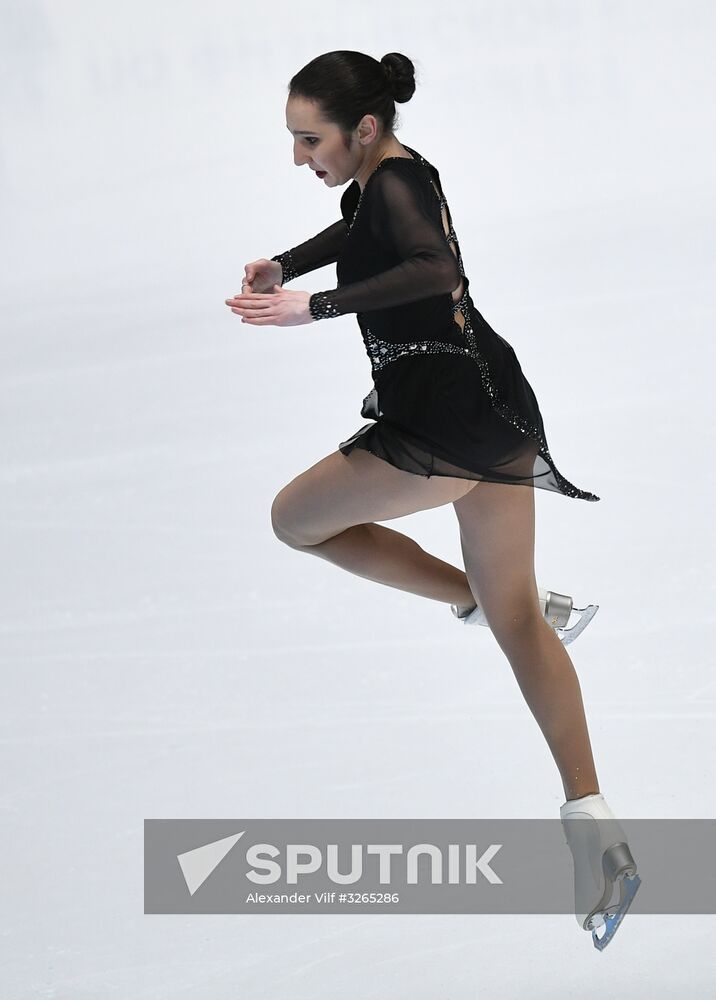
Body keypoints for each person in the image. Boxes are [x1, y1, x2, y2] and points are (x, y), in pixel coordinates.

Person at [225, 50, 640, 948]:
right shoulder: (388, 176)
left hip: (441, 419)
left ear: (364, 127)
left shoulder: (398, 185)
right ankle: (595, 825)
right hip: (494, 405)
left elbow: (433, 266)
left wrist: (312, 307)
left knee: (295, 520)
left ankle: (471, 600)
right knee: (518, 618)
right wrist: (286, 263)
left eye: (310, 140)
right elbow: (361, 230)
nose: (300, 156)